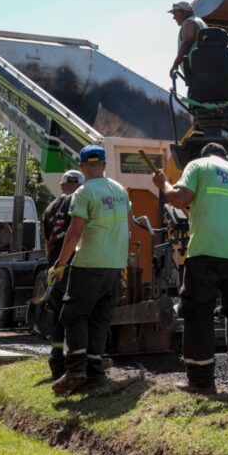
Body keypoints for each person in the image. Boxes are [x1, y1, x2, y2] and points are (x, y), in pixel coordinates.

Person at [152, 142, 228, 394]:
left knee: (198, 313)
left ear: (205, 154)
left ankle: (201, 381)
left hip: (205, 253)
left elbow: (179, 199)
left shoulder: (198, 166)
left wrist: (163, 183)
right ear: (226, 156)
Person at [50, 145, 132, 395]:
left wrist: (60, 264)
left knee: (73, 316)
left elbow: (74, 233)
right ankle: (95, 373)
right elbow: (128, 225)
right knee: (99, 319)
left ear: (83, 167)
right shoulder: (120, 191)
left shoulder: (84, 192)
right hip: (114, 266)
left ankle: (76, 369)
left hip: (88, 264)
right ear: (104, 165)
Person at [40, 169, 84, 380]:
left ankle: (56, 360)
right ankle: (79, 361)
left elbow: (48, 243)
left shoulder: (49, 208)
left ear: (61, 186)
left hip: (55, 267)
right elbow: (78, 233)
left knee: (57, 314)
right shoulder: (79, 202)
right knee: (77, 313)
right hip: (74, 264)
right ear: (81, 186)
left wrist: (53, 266)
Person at [168, 0, 209, 80]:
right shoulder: (200, 21)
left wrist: (175, 65)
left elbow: (186, 44)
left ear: (184, 12)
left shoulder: (189, 23)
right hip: (202, 72)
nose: (174, 17)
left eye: (175, 13)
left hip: (198, 74)